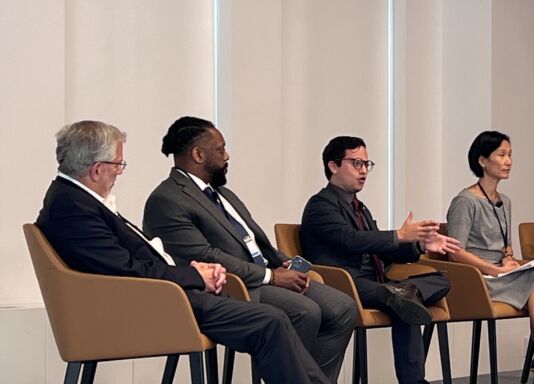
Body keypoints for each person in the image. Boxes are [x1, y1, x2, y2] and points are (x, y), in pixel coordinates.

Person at [36, 120, 330, 383]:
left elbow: (143, 255)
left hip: (163, 296)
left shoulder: (75, 199)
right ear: (97, 169)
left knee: (273, 319)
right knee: (270, 321)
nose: (120, 172)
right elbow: (126, 268)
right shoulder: (72, 207)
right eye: (118, 165)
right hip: (153, 305)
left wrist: (196, 271)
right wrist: (195, 276)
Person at [143, 116, 357, 382]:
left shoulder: (223, 194)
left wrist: (281, 263)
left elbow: (254, 241)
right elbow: (205, 256)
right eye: (220, 149)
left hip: (265, 275)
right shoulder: (167, 199)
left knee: (343, 307)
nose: (227, 156)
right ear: (198, 154)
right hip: (235, 286)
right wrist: (271, 276)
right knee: (305, 311)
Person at [300, 136, 461, 384]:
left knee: (439, 282)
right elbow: (350, 240)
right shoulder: (320, 206)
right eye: (356, 163)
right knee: (405, 303)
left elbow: (383, 250)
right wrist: (399, 234)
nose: (364, 171)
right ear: (333, 166)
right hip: (346, 283)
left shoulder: (360, 208)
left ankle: (402, 293)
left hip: (378, 283)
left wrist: (419, 245)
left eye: (367, 164)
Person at [445, 131, 534, 383]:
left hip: (502, 274)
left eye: (510, 155)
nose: (508, 161)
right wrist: (494, 269)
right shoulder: (465, 201)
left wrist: (509, 258)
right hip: (478, 278)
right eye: (501, 155)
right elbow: (455, 252)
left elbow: (505, 245)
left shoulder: (504, 201)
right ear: (482, 160)